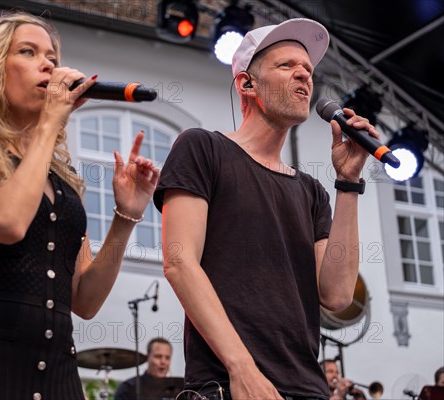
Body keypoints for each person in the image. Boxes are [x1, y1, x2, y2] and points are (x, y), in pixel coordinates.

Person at [0, 12, 159, 400]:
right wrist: (48, 125)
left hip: (54, 365)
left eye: (53, 58)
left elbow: (85, 300)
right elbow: (6, 221)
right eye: (28, 52)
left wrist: (126, 216)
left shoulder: (59, 179)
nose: (49, 65)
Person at [154, 18, 379, 400]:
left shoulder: (310, 191)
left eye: (307, 69)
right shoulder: (203, 149)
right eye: (287, 65)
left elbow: (338, 295)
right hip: (229, 383)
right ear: (247, 83)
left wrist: (348, 183)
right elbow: (179, 263)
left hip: (307, 388)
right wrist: (242, 367)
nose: (303, 76)